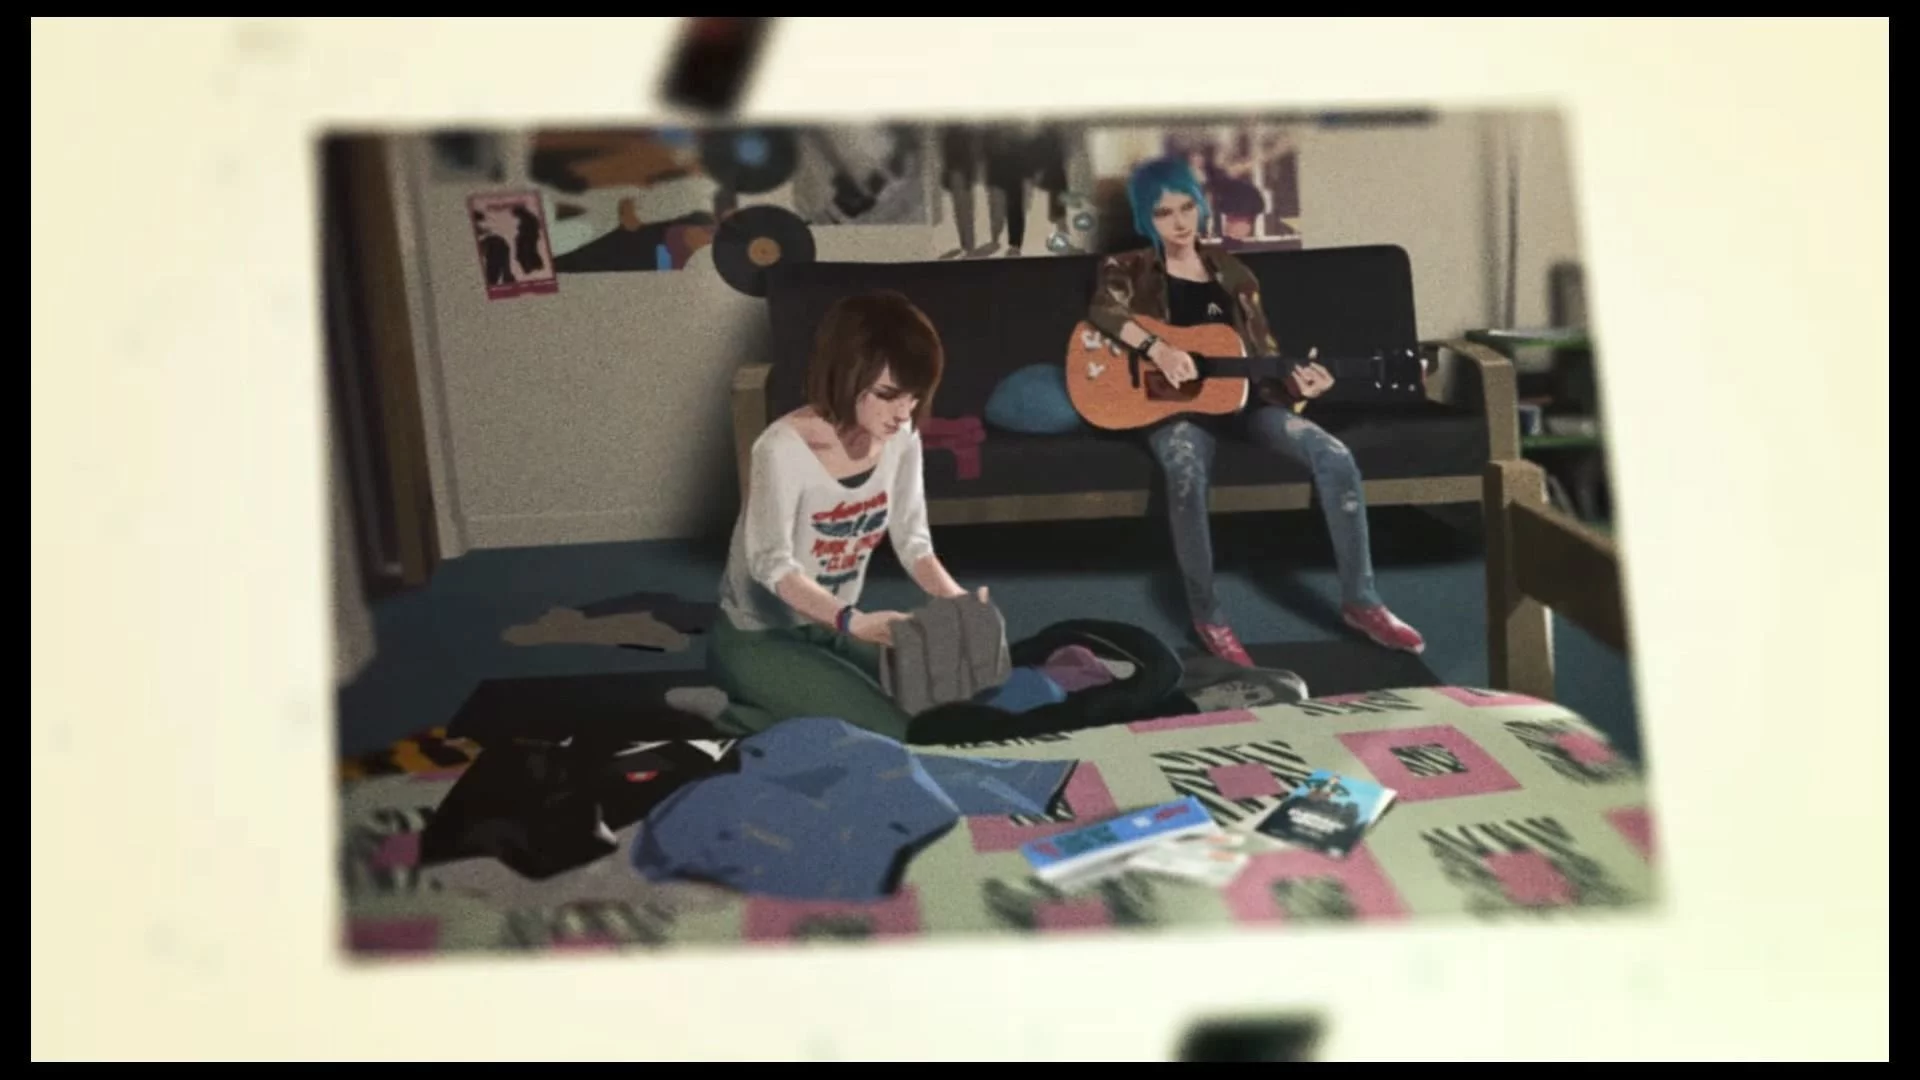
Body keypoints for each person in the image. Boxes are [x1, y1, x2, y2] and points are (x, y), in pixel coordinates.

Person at [1084, 156, 1426, 665]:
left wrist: (1301, 387)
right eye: (1162, 213)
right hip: (1171, 408)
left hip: (1247, 402)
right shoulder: (1126, 267)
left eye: (1186, 207)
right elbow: (1104, 311)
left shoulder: (1234, 273)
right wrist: (1159, 349)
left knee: (1333, 454)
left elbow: (1264, 355)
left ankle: (1362, 600)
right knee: (1184, 467)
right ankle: (1209, 615)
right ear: (1144, 218)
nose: (1179, 222)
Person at [709, 290, 987, 740]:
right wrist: (854, 622)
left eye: (914, 397)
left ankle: (782, 707)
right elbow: (772, 565)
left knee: (949, 706)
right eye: (888, 395)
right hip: (758, 636)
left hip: (829, 629)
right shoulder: (781, 449)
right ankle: (738, 714)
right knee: (897, 735)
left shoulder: (901, 437)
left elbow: (913, 541)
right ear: (845, 376)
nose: (903, 413)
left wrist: (956, 600)